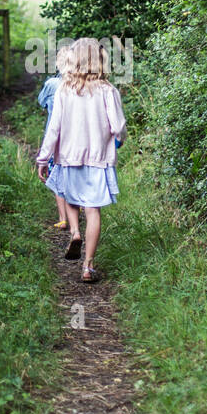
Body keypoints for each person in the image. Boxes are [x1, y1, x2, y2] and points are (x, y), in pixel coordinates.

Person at [35, 37, 127, 283]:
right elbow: (118, 127)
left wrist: (43, 158)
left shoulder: (64, 89)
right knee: (93, 209)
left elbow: (54, 128)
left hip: (69, 156)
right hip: (98, 158)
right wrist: (118, 140)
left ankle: (75, 232)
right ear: (100, 60)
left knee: (71, 197)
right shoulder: (108, 91)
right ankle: (88, 266)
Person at [37, 45, 71, 231]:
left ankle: (63, 218)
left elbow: (41, 102)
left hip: (54, 138)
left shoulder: (51, 84)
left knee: (57, 176)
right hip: (75, 140)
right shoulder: (80, 86)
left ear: (58, 63)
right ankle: (77, 205)